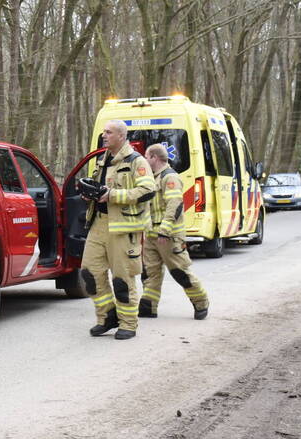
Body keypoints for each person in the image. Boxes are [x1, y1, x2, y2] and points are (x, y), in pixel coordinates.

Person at [80, 119, 155, 340]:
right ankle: (107, 317)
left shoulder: (136, 161)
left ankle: (128, 324)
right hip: (99, 223)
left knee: (123, 279)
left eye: (109, 132)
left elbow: (148, 190)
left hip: (123, 228)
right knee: (89, 272)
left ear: (121, 136)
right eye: (104, 132)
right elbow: (101, 187)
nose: (104, 135)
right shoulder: (103, 160)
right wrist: (90, 194)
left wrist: (113, 195)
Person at [141, 143, 209, 320]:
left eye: (146, 157)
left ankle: (201, 302)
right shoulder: (152, 178)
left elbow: (175, 204)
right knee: (150, 272)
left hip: (168, 236)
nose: (144, 160)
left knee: (180, 271)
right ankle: (149, 305)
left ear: (154, 157)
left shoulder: (169, 177)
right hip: (151, 234)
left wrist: (165, 230)